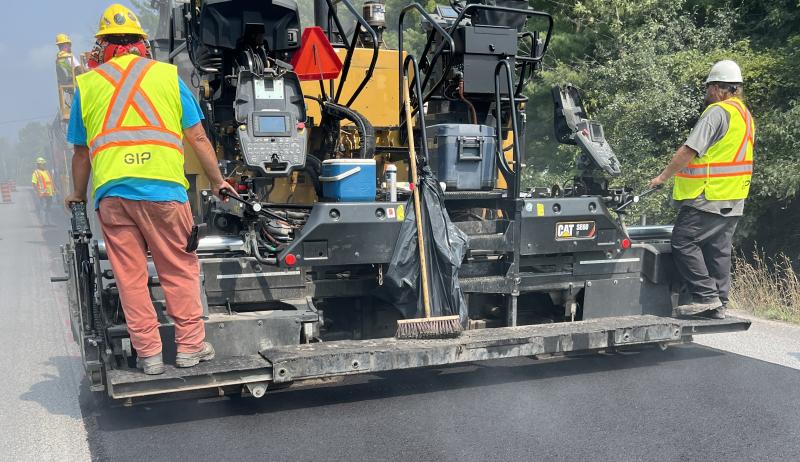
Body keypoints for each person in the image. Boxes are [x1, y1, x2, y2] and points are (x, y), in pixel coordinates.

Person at [64, 4, 239, 375]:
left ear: (101, 47)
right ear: (142, 44)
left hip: (113, 196)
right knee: (178, 269)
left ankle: (149, 356)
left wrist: (78, 195)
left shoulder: (87, 84)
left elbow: (81, 154)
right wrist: (217, 182)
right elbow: (198, 138)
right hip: (163, 192)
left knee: (130, 277)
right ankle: (190, 347)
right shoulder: (166, 77)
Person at [649, 60, 755, 320]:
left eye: (708, 87)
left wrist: (662, 177)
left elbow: (689, 150)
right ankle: (719, 302)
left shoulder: (717, 112)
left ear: (719, 88)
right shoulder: (744, 114)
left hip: (709, 195)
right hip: (733, 196)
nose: (706, 93)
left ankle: (706, 297)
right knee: (719, 249)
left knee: (683, 241)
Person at [32, 157, 55, 222]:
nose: (44, 165)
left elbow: (50, 182)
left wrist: (54, 190)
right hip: (42, 194)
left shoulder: (46, 172)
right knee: (42, 207)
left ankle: (49, 221)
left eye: (44, 164)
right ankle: (44, 222)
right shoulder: (36, 173)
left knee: (49, 208)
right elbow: (34, 183)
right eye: (43, 164)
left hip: (49, 193)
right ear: (39, 164)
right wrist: (37, 191)